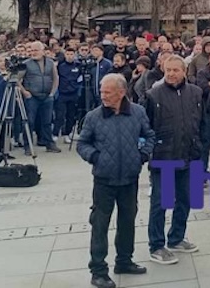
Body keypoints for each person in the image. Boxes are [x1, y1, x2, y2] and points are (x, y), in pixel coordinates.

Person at [76, 74, 155, 288]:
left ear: (121, 92)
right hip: (103, 180)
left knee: (128, 220)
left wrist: (142, 156)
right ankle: (98, 270)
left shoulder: (137, 112)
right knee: (100, 224)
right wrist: (95, 157)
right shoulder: (94, 117)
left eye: (107, 92)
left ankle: (124, 261)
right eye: (101, 91)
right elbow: (82, 144)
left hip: (129, 178)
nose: (103, 96)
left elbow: (149, 136)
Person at [143, 54, 202, 265]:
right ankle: (156, 245)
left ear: (184, 71)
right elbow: (145, 128)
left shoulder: (196, 93)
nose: (171, 74)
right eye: (168, 70)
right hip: (164, 157)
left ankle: (177, 237)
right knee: (161, 203)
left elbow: (200, 122)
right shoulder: (153, 95)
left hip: (189, 155)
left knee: (185, 200)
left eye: (175, 70)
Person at [18, 42, 61, 154]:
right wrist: (24, 92)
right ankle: (28, 146)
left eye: (36, 50)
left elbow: (55, 78)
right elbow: (17, 79)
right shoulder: (26, 64)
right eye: (31, 50)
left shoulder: (50, 63)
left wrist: (52, 92)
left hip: (47, 96)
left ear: (42, 51)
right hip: (32, 96)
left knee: (47, 121)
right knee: (29, 121)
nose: (33, 52)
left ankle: (49, 144)